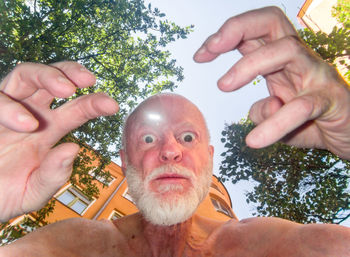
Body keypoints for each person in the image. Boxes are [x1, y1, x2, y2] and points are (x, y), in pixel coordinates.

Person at [0, 6, 349, 256]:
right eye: (148, 139)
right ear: (125, 162)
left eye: (187, 137)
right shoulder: (70, 245)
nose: (170, 151)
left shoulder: (270, 244)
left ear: (209, 159)